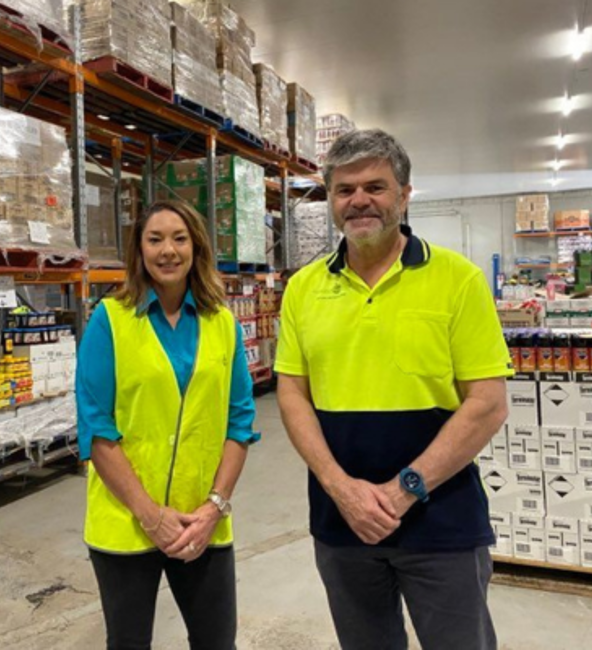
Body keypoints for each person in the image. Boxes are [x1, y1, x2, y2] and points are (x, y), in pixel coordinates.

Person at [275, 129, 512, 650]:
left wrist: (403, 489)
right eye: (344, 189)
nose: (359, 200)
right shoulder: (303, 289)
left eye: (376, 187)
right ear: (332, 201)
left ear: (404, 195)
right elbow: (292, 393)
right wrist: (341, 488)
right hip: (342, 524)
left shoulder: (458, 280)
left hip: (442, 523)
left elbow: (488, 403)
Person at [76, 199, 258, 650]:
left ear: (196, 247)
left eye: (179, 238)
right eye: (154, 239)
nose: (167, 250)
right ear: (139, 250)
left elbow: (240, 423)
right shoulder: (111, 320)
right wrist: (150, 515)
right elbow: (96, 427)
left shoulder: (224, 324)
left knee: (217, 642)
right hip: (126, 519)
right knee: (129, 642)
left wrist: (215, 507)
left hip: (202, 520)